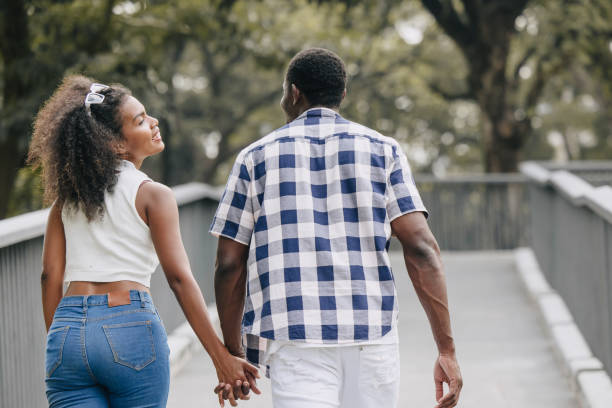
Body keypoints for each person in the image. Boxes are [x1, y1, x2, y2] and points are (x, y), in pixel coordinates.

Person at [210, 48, 462, 408]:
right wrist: (447, 350)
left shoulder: (255, 158)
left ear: (294, 93)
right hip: (371, 337)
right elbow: (422, 249)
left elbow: (229, 264)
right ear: (342, 95)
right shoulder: (383, 151)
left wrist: (233, 353)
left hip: (295, 338)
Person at [29, 75, 259, 408]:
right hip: (128, 327)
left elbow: (49, 276)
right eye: (140, 120)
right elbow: (179, 279)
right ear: (116, 144)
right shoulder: (152, 194)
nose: (153, 122)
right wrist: (220, 356)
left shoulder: (66, 201)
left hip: (67, 333)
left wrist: (61, 339)